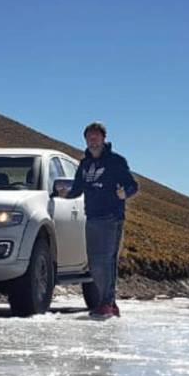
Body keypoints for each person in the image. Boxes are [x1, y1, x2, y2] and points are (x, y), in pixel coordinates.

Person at [60, 122, 138, 319]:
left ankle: (106, 303)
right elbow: (78, 188)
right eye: (89, 138)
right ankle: (110, 303)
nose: (92, 141)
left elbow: (133, 185)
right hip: (92, 216)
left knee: (106, 261)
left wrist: (124, 193)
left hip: (111, 217)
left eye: (96, 137)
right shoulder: (85, 164)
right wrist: (65, 194)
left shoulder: (116, 161)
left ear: (104, 138)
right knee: (94, 263)